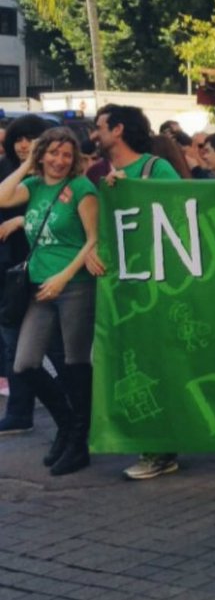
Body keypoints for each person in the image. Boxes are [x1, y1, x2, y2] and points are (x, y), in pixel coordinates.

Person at [90, 105, 184, 479]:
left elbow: (180, 210)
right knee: (128, 362)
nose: (94, 134)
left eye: (99, 127)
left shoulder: (153, 168)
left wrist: (132, 192)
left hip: (155, 283)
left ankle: (160, 449)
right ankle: (152, 445)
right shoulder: (99, 174)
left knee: (155, 362)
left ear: (118, 129)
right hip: (120, 284)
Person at [0, 128, 98, 476]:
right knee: (25, 363)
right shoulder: (36, 187)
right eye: (53, 153)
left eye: (66, 155)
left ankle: (79, 443)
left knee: (75, 363)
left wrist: (65, 276)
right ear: (42, 155)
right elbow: (1, 196)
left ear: (74, 161)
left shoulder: (82, 189)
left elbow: (93, 239)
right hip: (39, 286)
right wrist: (27, 162)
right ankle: (69, 426)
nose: (59, 161)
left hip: (74, 287)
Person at [0, 116, 52, 436]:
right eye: (19, 138)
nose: (23, 144)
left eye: (31, 138)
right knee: (13, 343)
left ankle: (77, 411)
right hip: (10, 272)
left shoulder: (57, 176)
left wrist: (22, 220)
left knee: (59, 349)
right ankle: (20, 411)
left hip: (50, 270)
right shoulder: (8, 172)